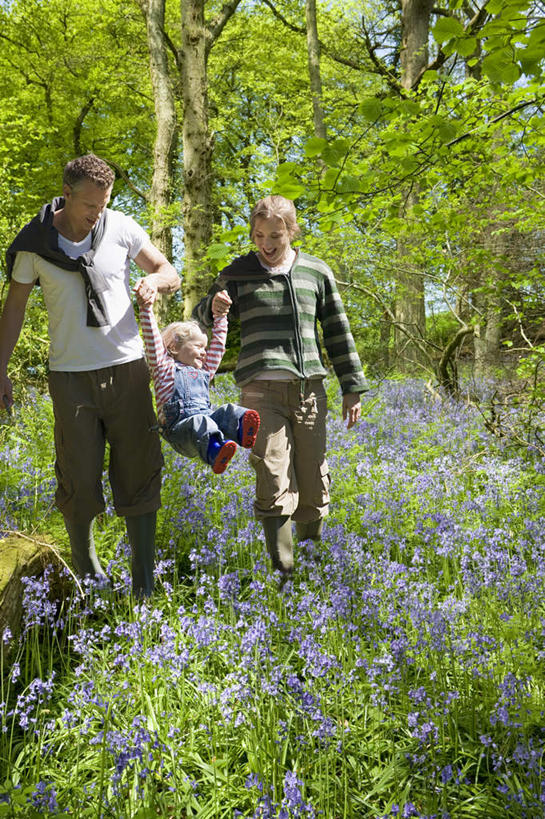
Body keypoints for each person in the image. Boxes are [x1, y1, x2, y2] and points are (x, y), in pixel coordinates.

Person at [0, 153, 180, 598]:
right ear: (67, 195)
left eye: (104, 203)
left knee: (139, 474)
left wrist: (154, 284)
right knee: (78, 480)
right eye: (89, 205)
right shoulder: (34, 244)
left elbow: (168, 271)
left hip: (129, 371)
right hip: (70, 378)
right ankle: (89, 579)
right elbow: (15, 308)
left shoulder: (121, 227)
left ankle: (143, 586)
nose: (97, 213)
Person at [193, 194, 367, 581]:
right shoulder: (237, 273)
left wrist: (351, 387)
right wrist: (214, 306)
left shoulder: (316, 273)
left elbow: (338, 330)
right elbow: (200, 314)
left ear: (291, 231)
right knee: (272, 474)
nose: (266, 244)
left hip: (309, 391)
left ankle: (314, 565)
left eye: (275, 235)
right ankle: (284, 573)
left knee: (311, 475)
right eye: (258, 235)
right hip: (260, 390)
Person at [135, 287, 260, 473]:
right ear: (174, 348)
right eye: (199, 347)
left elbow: (218, 345)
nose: (204, 352)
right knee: (199, 421)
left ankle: (241, 432)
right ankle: (215, 452)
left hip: (206, 423)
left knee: (227, 411)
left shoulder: (205, 370)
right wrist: (146, 309)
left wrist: (220, 318)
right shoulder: (163, 368)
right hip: (180, 431)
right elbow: (152, 340)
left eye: (205, 347)